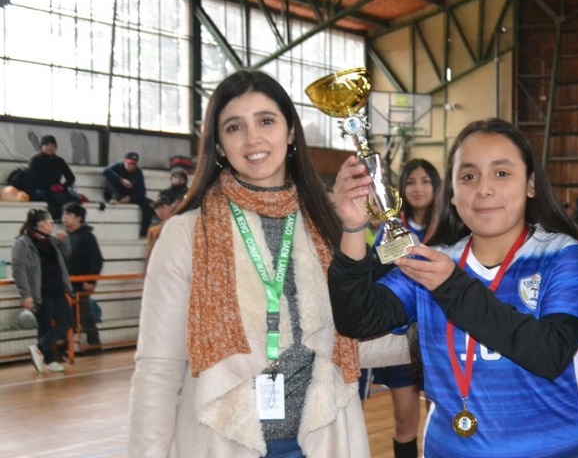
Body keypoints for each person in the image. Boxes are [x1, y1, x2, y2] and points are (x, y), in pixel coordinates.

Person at [128, 69, 407, 458]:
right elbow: (158, 368)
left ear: (290, 133)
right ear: (220, 146)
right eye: (234, 127)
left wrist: (436, 320)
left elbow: (353, 336)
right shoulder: (185, 234)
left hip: (322, 439)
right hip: (223, 441)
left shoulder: (328, 226)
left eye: (266, 121)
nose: (253, 138)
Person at [329, 118, 578, 457]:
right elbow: (357, 318)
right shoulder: (435, 262)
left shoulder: (561, 256)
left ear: (530, 184)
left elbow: (548, 353)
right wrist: (354, 227)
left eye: (501, 174)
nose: (484, 189)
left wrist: (452, 286)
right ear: (453, 193)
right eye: (469, 176)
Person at [362, 158, 441, 458]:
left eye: (425, 180)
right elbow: (377, 273)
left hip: (439, 334)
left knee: (441, 418)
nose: (418, 188)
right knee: (405, 420)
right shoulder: (392, 228)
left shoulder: (451, 224)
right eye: (411, 182)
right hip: (402, 338)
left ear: (437, 185)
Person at [11, 206, 73, 374]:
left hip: (58, 289)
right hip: (41, 292)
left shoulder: (52, 240)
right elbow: (19, 269)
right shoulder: (23, 243)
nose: (51, 224)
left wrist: (63, 241)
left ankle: (39, 348)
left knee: (67, 321)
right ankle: (50, 359)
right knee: (44, 325)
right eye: (48, 221)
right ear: (38, 224)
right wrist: (26, 295)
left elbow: (66, 254)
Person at [62, 200, 104, 347]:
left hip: (81, 284)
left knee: (84, 315)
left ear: (79, 218)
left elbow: (97, 260)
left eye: (69, 214)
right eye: (64, 214)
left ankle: (93, 343)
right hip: (68, 283)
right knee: (73, 316)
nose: (65, 217)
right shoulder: (66, 237)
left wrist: (90, 281)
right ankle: (68, 346)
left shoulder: (87, 236)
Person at [27, 134, 78, 221]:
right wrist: (49, 187)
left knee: (73, 199)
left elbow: (71, 177)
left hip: (57, 189)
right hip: (41, 189)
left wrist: (63, 187)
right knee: (54, 199)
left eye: (52, 145)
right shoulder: (35, 160)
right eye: (46, 145)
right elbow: (32, 179)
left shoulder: (59, 161)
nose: (49, 148)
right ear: (41, 147)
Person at [103, 151, 152, 235]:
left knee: (148, 204)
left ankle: (144, 230)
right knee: (110, 179)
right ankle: (115, 198)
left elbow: (142, 191)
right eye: (129, 163)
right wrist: (121, 180)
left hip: (129, 195)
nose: (131, 166)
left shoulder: (138, 172)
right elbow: (106, 171)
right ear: (125, 161)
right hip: (115, 193)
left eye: (133, 164)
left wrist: (130, 198)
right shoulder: (117, 166)